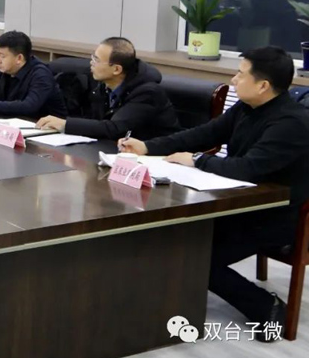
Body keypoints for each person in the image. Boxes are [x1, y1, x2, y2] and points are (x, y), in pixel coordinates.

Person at [119, 47, 309, 340]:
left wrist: (197, 160)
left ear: (263, 85)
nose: (234, 80)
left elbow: (248, 168)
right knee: (174, 236)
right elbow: (203, 134)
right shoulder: (247, 107)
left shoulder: (291, 123)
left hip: (277, 216)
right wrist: (148, 147)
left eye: (240, 75)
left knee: (197, 256)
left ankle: (267, 308)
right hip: (239, 204)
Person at [36, 37, 180, 140]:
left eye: (97, 60)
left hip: (157, 158)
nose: (91, 63)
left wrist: (65, 124)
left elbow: (115, 128)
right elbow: (96, 121)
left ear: (116, 69)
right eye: (93, 57)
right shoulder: (103, 84)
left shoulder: (147, 92)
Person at [0, 31, 67, 118]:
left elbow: (29, 107)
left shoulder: (41, 75)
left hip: (46, 128)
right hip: (13, 122)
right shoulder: (2, 70)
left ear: (19, 58)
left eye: (2, 56)